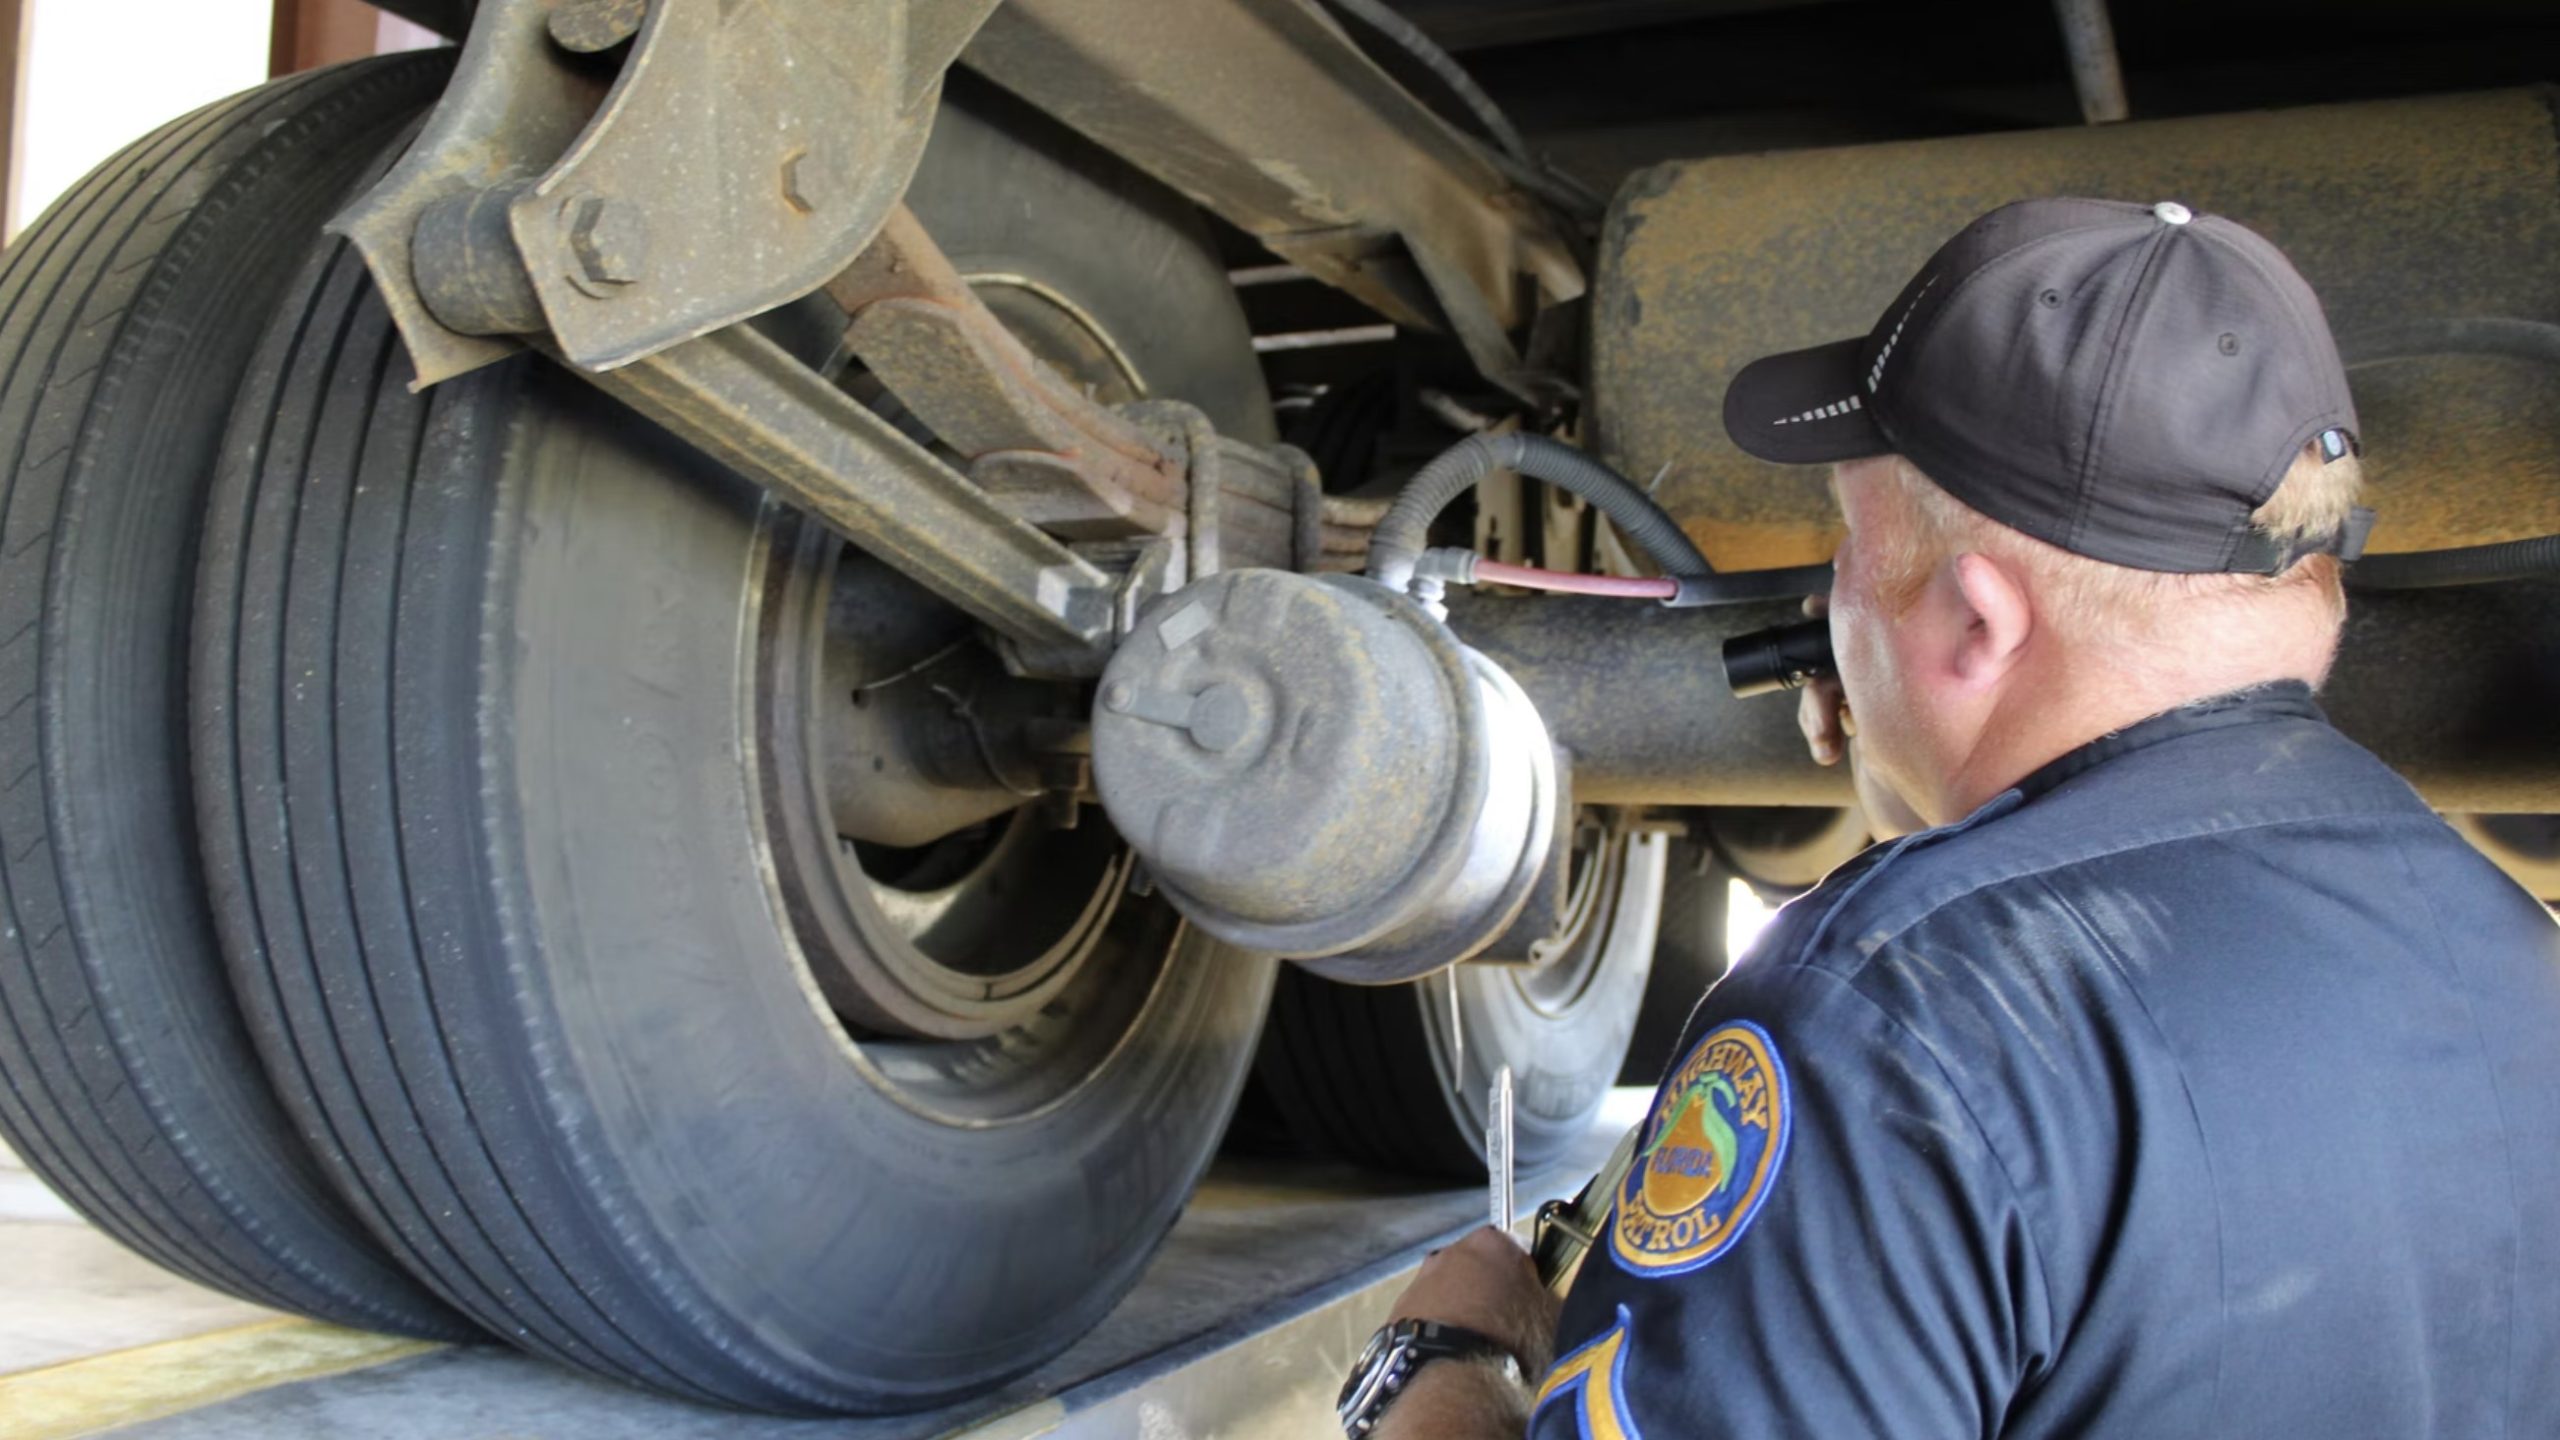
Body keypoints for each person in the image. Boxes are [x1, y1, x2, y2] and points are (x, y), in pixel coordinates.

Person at [1339, 197, 2560, 1439]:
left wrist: (1446, 1362)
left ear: (1979, 622)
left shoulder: (1880, 1034)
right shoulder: (2515, 956)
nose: (1831, 596)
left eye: (1847, 545)